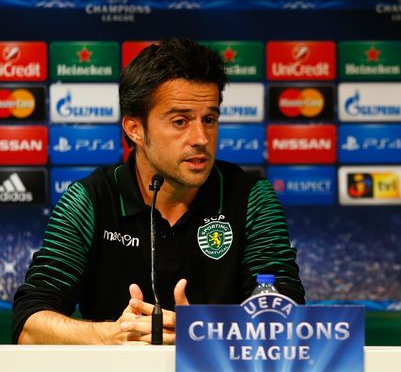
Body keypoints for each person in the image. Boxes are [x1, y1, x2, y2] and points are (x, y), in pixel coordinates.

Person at [13, 38, 304, 344]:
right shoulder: (90, 200)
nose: (201, 138)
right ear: (134, 129)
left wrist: (203, 333)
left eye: (209, 119)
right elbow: (29, 326)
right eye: (180, 121)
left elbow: (288, 316)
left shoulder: (250, 197)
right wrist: (112, 335)